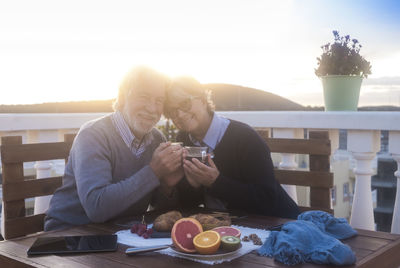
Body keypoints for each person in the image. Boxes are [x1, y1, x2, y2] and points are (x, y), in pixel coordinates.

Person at [44, 66, 183, 231]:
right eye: (144, 97)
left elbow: (158, 208)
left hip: (120, 232)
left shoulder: (157, 139)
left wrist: (167, 186)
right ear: (123, 96)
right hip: (70, 233)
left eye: (159, 101)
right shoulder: (93, 135)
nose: (152, 108)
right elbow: (96, 208)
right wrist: (153, 171)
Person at [165, 76, 300, 219]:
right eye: (172, 110)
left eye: (185, 103)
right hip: (226, 230)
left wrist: (216, 182)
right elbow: (190, 204)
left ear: (203, 100)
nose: (179, 114)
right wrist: (192, 186)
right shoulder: (183, 139)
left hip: (277, 224)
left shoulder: (245, 138)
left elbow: (267, 198)